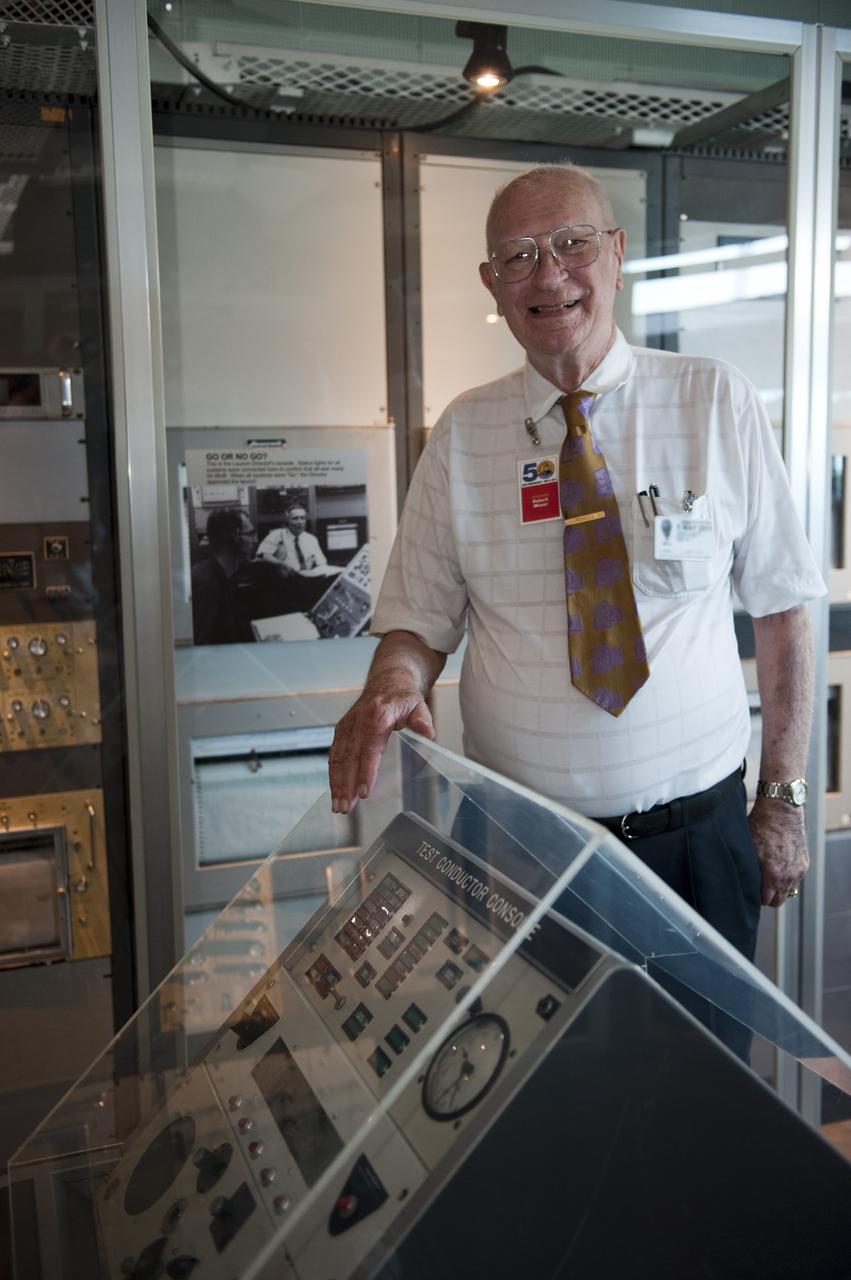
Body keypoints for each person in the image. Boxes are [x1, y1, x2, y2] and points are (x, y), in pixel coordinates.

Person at [329, 164, 824, 1037]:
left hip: (695, 845)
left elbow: (784, 609)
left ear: (617, 253)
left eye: (572, 244)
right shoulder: (462, 434)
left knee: (698, 1086)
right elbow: (416, 623)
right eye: (518, 255)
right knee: (532, 1086)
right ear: (492, 284)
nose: (549, 274)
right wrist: (393, 683)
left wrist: (781, 796)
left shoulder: (712, 399)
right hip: (519, 849)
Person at [191, 507, 287, 643]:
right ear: (235, 538)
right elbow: (204, 651)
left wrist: (259, 644)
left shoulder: (225, 575)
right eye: (251, 534)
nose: (255, 540)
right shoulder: (205, 584)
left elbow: (227, 637)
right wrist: (260, 650)